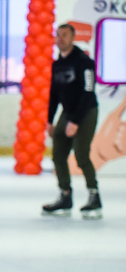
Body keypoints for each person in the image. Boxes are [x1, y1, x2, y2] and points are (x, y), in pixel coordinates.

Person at [42, 23, 101, 219]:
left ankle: (94, 197)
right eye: (58, 35)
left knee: (81, 155)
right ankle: (65, 195)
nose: (60, 39)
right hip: (67, 113)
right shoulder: (57, 64)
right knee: (58, 153)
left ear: (73, 37)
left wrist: (75, 121)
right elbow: (54, 93)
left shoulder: (84, 61)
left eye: (64, 35)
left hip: (86, 112)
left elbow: (88, 90)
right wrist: (50, 120)